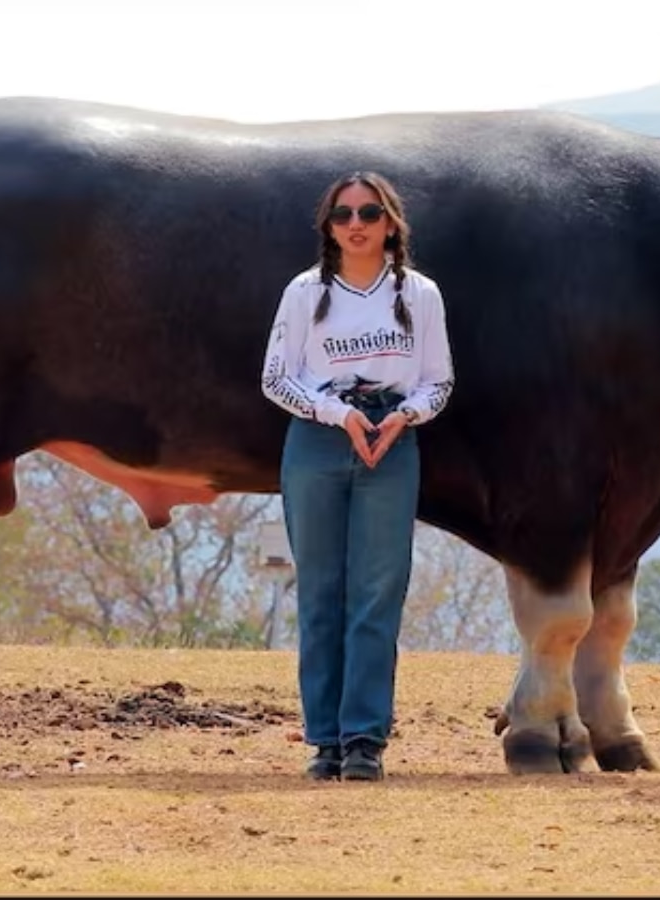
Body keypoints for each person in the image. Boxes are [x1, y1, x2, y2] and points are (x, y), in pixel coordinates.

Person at [261, 172, 454, 782]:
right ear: (329, 225)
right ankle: (324, 742)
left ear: (390, 222)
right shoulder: (304, 291)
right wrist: (337, 413)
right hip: (318, 442)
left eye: (369, 213)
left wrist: (403, 417)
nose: (356, 224)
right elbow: (275, 377)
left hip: (391, 445)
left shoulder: (419, 293)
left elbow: (438, 381)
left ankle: (365, 739)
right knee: (320, 594)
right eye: (343, 214)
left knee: (376, 595)